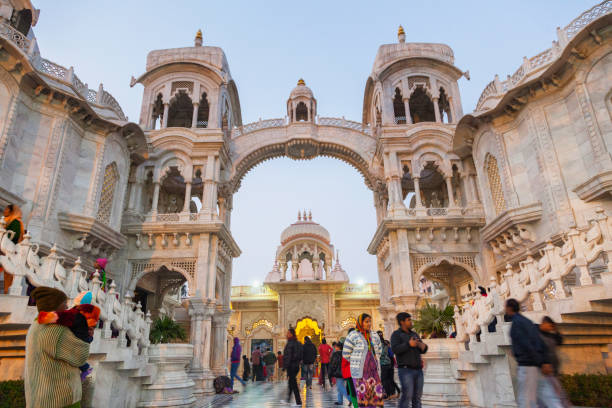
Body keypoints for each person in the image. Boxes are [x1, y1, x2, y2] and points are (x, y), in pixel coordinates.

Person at [25, 286, 90, 408]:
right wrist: (84, 334)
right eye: (64, 303)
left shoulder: (36, 324)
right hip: (60, 400)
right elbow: (80, 356)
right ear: (54, 306)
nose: (66, 307)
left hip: (39, 398)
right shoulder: (55, 330)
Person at [506, 298, 563, 408]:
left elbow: (526, 345)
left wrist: (517, 352)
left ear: (509, 308)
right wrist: (544, 362)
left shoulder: (517, 324)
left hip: (527, 366)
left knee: (526, 399)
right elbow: (540, 343)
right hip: (538, 366)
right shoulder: (528, 322)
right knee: (549, 396)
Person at [38, 291, 100, 381]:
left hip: (77, 343)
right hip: (86, 341)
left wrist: (42, 317)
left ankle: (85, 368)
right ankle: (85, 368)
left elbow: (59, 316)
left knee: (65, 349)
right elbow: (92, 328)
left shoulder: (74, 314)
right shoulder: (91, 314)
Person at [343, 313, 384, 407]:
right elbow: (346, 354)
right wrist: (357, 361)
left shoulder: (374, 335)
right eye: (366, 322)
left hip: (374, 372)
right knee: (362, 397)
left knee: (374, 397)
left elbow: (379, 350)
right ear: (361, 322)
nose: (369, 324)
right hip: (359, 373)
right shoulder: (353, 336)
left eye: (370, 321)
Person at [391, 312, 428, 408]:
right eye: (409, 320)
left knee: (417, 398)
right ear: (402, 322)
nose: (411, 322)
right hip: (405, 370)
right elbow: (395, 349)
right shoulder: (396, 334)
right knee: (407, 397)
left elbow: (423, 349)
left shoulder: (414, 334)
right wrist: (408, 344)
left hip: (418, 371)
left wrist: (422, 345)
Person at [2, 204, 24, 293]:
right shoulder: (6, 220)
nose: (4, 211)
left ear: (12, 211)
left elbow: (14, 236)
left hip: (8, 250)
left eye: (7, 209)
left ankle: (7, 293)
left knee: (8, 273)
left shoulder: (15, 222)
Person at [283, 328, 303, 406]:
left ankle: (298, 402)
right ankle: (288, 399)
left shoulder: (290, 343)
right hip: (296, 366)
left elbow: (288, 356)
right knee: (291, 382)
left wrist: (285, 366)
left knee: (293, 384)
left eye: (288, 333)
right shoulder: (298, 343)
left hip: (291, 366)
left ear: (291, 334)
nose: (286, 334)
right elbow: (301, 355)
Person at [378, 332, 398, 400]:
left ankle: (388, 394)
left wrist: (377, 354)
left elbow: (383, 353)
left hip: (385, 363)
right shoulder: (384, 343)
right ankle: (392, 393)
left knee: (384, 380)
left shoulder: (382, 343)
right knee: (388, 380)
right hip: (387, 363)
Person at [330, 341, 350, 406]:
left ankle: (350, 399)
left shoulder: (335, 354)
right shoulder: (345, 353)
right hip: (345, 372)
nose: (335, 348)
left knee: (340, 386)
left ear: (338, 347)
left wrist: (331, 372)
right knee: (340, 387)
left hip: (338, 373)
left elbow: (333, 364)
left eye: (336, 347)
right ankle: (340, 401)